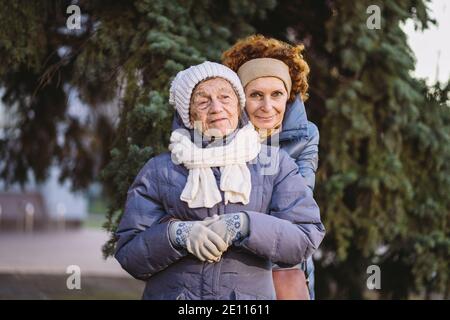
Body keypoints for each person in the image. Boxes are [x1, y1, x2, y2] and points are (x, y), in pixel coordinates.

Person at [114, 61, 325, 300]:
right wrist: (178, 235)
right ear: (188, 114)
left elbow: (305, 237)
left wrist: (244, 225)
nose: (216, 108)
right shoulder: (159, 171)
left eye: (225, 97)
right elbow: (130, 255)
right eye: (203, 101)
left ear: (238, 106)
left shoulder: (275, 164)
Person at [222, 34, 319, 299]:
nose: (267, 107)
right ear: (240, 98)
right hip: (230, 270)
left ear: (288, 96)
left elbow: (296, 208)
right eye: (256, 95)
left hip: (284, 269)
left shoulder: (306, 135)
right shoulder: (219, 134)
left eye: (276, 94)